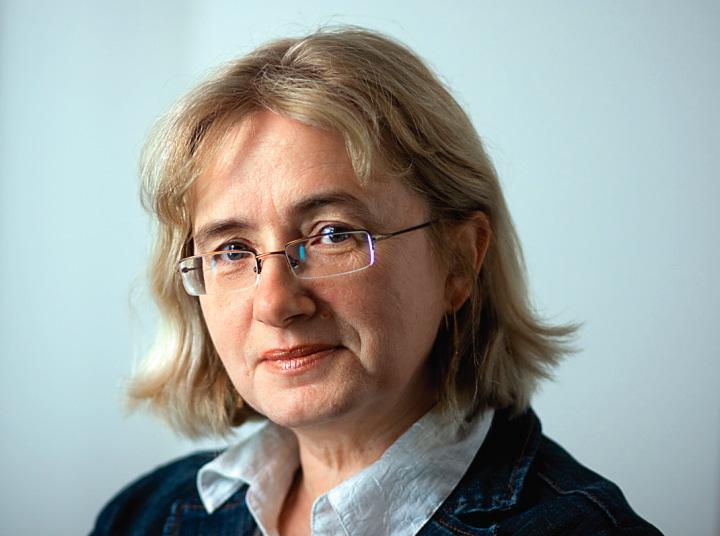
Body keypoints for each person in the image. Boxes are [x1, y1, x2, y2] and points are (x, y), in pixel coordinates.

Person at [92, 27, 661, 536]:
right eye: (233, 250)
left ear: (459, 260)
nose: (276, 303)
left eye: (332, 234)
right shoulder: (142, 516)